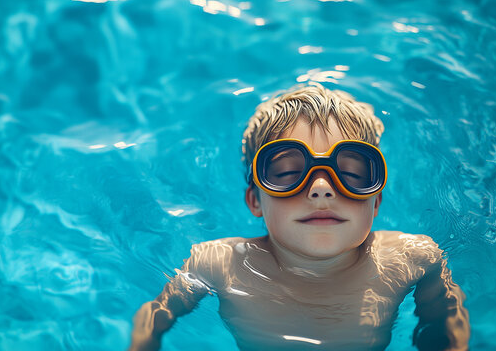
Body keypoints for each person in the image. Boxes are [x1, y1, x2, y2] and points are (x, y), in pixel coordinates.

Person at [129, 83, 470, 351]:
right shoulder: (217, 263)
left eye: (350, 172)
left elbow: (444, 332)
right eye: (288, 171)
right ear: (255, 200)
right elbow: (153, 319)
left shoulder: (413, 258)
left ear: (376, 199)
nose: (321, 188)